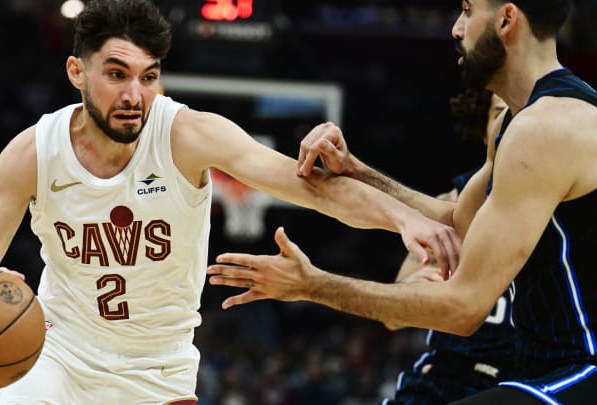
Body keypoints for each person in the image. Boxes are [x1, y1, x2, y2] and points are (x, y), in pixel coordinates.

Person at [0, 0, 461, 403]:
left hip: (157, 370)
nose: (135, 94)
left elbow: (312, 188)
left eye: (148, 76)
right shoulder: (33, 153)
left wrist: (403, 217)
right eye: (116, 74)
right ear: (77, 73)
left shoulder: (187, 135)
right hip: (56, 356)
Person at [208, 0, 597, 402]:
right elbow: (457, 220)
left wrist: (312, 286)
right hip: (549, 371)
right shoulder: (519, 120)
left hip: (584, 368)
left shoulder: (546, 128)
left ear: (506, 19)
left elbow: (463, 308)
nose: (456, 29)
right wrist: (358, 172)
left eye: (466, 10)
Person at [384, 90, 516, 405]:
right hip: (449, 373)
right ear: (485, 129)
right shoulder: (452, 204)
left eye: (522, 112)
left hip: (528, 377)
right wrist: (410, 292)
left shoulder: (573, 209)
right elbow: (393, 318)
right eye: (500, 113)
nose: (512, 123)